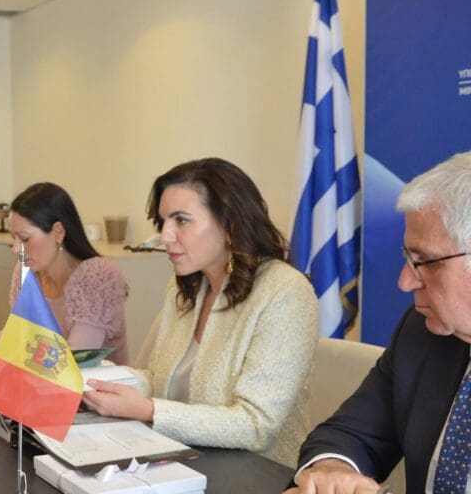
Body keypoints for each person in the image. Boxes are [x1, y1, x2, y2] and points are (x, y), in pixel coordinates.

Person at [280, 152, 471, 494]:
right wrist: (331, 474)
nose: (405, 281)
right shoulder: (424, 334)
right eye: (408, 257)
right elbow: (350, 432)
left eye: (426, 261)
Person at [82, 158, 318, 466]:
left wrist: (149, 410)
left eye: (181, 220)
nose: (165, 236)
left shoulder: (285, 292)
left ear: (230, 225)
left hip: (260, 476)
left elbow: (257, 425)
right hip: (187, 460)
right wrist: (91, 382)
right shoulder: (188, 286)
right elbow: (160, 380)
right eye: (163, 222)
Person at [0, 182, 130, 365]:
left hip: (92, 382)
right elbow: (21, 332)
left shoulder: (98, 276)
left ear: (58, 232)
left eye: (24, 238)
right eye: (14, 239)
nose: (16, 249)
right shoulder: (25, 271)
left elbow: (74, 359)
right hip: (43, 378)